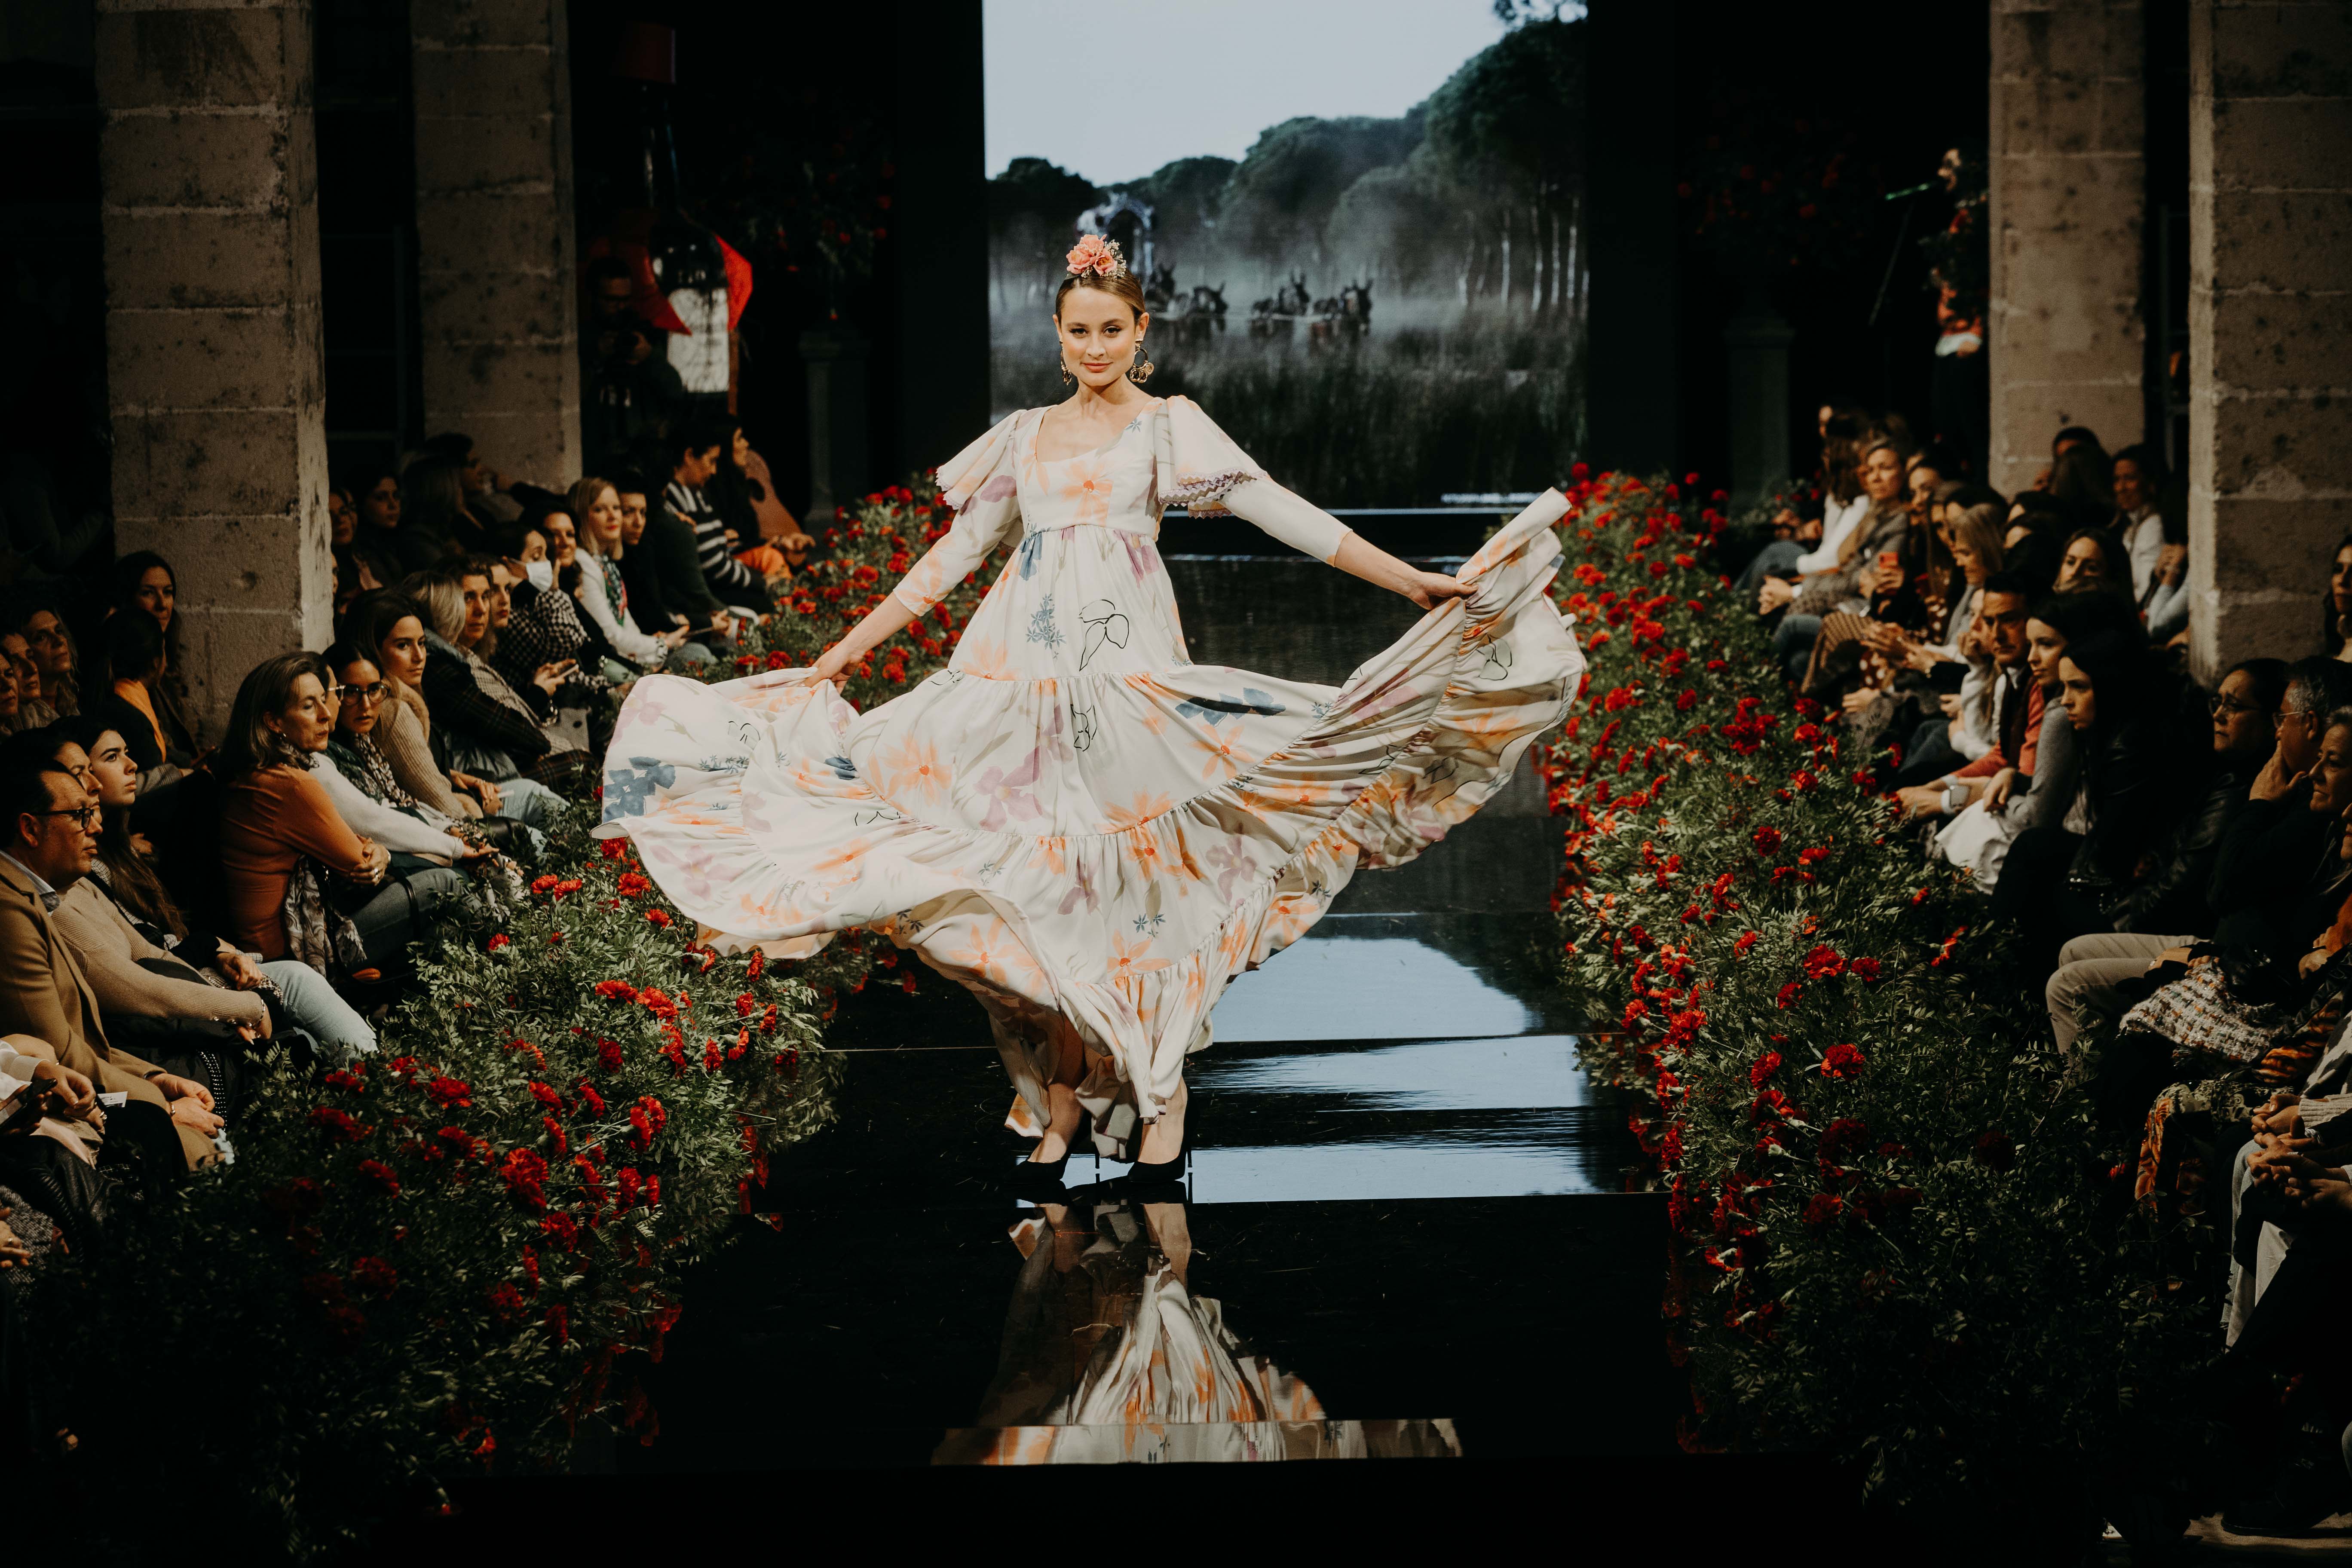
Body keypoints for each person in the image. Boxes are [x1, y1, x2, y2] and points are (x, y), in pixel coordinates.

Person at [602, 233, 1582, 1191]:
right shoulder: (1024, 435)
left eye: (1111, 329)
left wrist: (1408, 581)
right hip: (1016, 690)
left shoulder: (1167, 427)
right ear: (1058, 335)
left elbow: (1279, 509)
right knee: (1041, 883)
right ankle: (1067, 1089)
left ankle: (1160, 1095)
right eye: (1078, 331)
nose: (1094, 348)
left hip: (1127, 684)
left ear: (1139, 330)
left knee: (1131, 882)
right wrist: (838, 656)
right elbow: (948, 561)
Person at [55, 716, 377, 1061]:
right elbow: (145, 974)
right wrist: (234, 987)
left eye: (126, 753)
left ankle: (379, 1078)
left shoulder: (120, 850)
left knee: (301, 1004)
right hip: (180, 994)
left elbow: (157, 949)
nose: (132, 766)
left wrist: (219, 952)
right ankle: (381, 1079)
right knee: (299, 999)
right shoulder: (73, 879)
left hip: (195, 972)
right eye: (111, 757)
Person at [2045, 659, 2292, 1051]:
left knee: (2067, 978)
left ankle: (2077, 1100)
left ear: (2277, 723)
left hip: (2219, 948)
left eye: (2234, 706)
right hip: (2193, 925)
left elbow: (2206, 888)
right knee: (2070, 944)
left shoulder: (2255, 790)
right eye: (2218, 701)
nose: (2218, 715)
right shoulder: (2226, 771)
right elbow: (2174, 853)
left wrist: (2122, 916)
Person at [0, 750, 217, 1172]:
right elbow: (61, 1053)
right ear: (30, 828)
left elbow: (84, 1040)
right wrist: (164, 1106)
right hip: (69, 1112)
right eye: (80, 814)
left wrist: (155, 1078)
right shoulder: (8, 908)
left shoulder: (32, 894)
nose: (94, 825)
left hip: (92, 1088)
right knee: (207, 1158)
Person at [214, 652, 466, 977]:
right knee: (446, 883)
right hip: (291, 954)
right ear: (273, 721)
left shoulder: (258, 771)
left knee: (441, 927)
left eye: (324, 700)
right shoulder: (291, 784)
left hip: (291, 937)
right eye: (308, 706)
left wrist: (374, 851)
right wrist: (382, 852)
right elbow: (359, 861)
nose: (326, 717)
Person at [402, 570, 588, 810]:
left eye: (489, 594)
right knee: (582, 766)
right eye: (467, 598)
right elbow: (498, 722)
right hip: (483, 780)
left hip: (492, 769)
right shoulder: (439, 666)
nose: (483, 608)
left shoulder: (461, 654)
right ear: (444, 609)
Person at [351, 589, 502, 821]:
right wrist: (480, 813)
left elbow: (413, 772)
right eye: (403, 646)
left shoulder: (404, 699)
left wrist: (452, 776)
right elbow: (445, 808)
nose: (419, 656)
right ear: (374, 650)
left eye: (422, 643)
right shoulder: (394, 711)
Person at [567, 478, 700, 672]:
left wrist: (656, 642)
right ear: (581, 516)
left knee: (695, 653)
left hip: (628, 656)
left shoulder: (605, 562)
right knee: (695, 655)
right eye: (600, 510)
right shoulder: (583, 562)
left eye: (616, 508)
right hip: (606, 665)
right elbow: (611, 635)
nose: (613, 516)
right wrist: (663, 644)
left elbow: (626, 623)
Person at [664, 424, 773, 618]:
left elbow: (720, 557)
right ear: (689, 456)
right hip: (709, 596)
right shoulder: (676, 497)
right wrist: (763, 582)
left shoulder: (697, 494)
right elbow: (714, 566)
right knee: (766, 605)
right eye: (711, 461)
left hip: (721, 587)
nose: (714, 471)